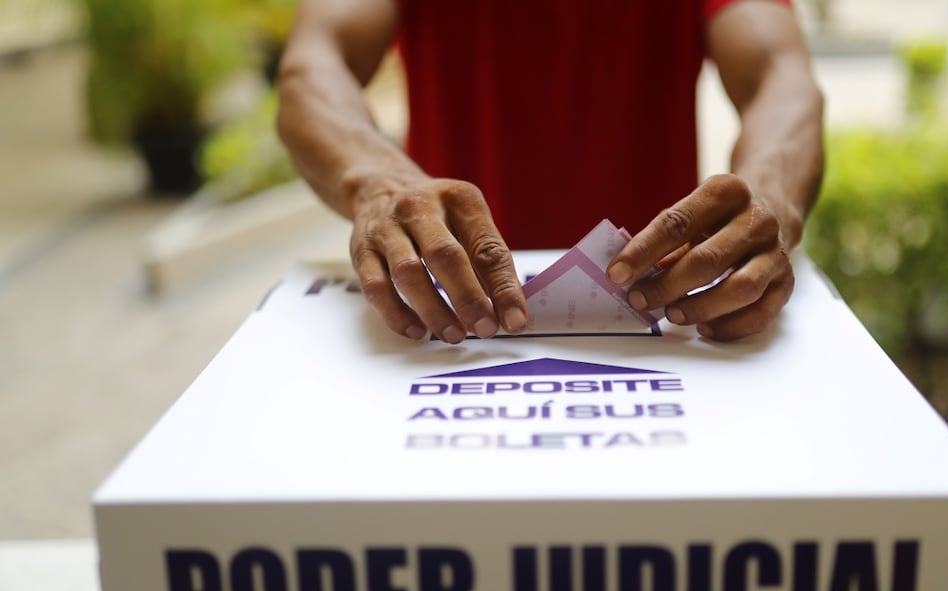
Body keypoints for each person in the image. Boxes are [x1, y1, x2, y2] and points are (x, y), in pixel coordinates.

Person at [277, 0, 824, 344]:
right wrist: (379, 184)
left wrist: (767, 195)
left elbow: (779, 78)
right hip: (444, 313)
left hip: (660, 321)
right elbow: (315, 67)